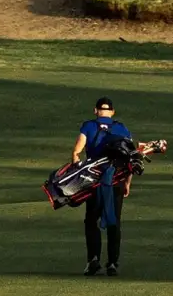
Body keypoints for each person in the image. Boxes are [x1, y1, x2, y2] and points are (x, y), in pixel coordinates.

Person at [72, 96, 137, 276]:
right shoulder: (122, 128)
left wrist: (77, 172)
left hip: (93, 181)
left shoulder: (89, 126)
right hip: (115, 180)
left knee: (91, 220)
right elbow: (131, 159)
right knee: (114, 221)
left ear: (96, 110)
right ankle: (113, 263)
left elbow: (76, 151)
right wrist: (127, 183)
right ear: (112, 112)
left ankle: (93, 260)